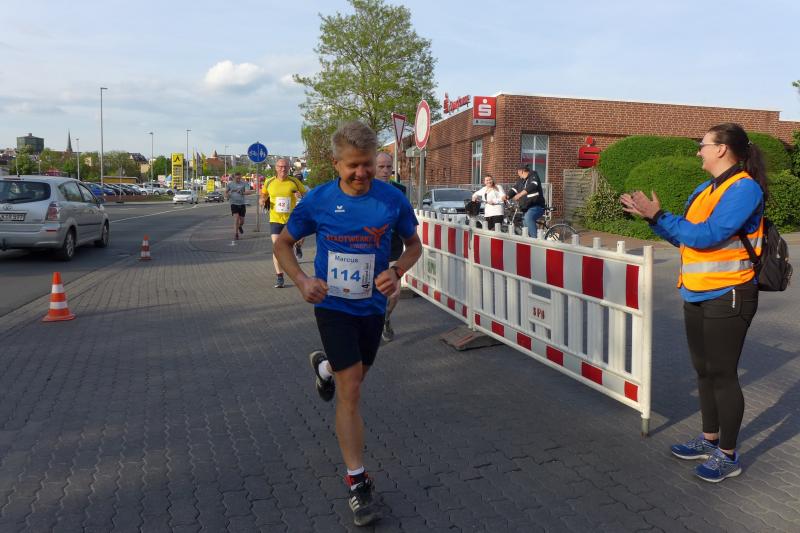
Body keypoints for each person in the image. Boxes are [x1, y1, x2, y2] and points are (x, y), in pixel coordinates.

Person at [273, 121, 422, 525]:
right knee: (351, 388)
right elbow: (283, 243)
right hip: (332, 305)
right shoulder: (319, 200)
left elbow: (414, 246)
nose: (361, 173)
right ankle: (358, 481)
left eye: (367, 164)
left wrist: (397, 270)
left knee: (353, 375)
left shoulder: (392, 199)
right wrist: (302, 280)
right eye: (352, 165)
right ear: (336, 163)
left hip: (372, 307)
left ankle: (324, 367)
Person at [620, 122, 766, 483]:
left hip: (729, 293)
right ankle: (708, 439)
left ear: (721, 149)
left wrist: (660, 216)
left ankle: (728, 455)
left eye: (703, 144)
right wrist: (654, 220)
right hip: (695, 291)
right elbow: (685, 237)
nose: (698, 150)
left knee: (722, 374)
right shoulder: (705, 189)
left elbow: (709, 236)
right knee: (703, 371)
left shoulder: (744, 188)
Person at [375, 150, 407, 342]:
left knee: (394, 293)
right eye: (381, 167)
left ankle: (385, 319)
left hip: (393, 245)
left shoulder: (400, 190)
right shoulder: (365, 188)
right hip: (371, 246)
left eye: (389, 167)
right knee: (373, 292)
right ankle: (372, 325)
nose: (385, 171)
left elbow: (405, 216)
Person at [261, 158, 307, 288]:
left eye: (285, 167)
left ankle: (298, 246)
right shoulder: (269, 181)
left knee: (292, 245)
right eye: (280, 166)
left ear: (289, 168)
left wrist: (300, 196)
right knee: (277, 247)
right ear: (276, 168)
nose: (283, 169)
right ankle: (279, 276)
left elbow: (305, 195)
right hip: (275, 219)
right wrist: (262, 200)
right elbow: (263, 195)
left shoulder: (294, 181)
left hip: (291, 219)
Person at [508, 164, 545, 237]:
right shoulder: (521, 180)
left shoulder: (533, 176)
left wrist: (520, 194)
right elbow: (514, 189)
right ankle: (529, 239)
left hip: (536, 206)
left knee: (528, 218)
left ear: (521, 171)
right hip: (526, 208)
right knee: (525, 224)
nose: (518, 174)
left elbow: (533, 185)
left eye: (518, 172)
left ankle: (535, 240)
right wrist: (507, 196)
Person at [225, 173, 250, 240]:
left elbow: (248, 192)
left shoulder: (244, 183)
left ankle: (239, 226)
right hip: (234, 204)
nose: (238, 179)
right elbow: (226, 193)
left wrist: (242, 192)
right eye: (237, 178)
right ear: (233, 178)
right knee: (236, 218)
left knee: (242, 221)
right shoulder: (230, 184)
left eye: (239, 178)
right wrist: (228, 195)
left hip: (242, 204)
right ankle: (236, 234)